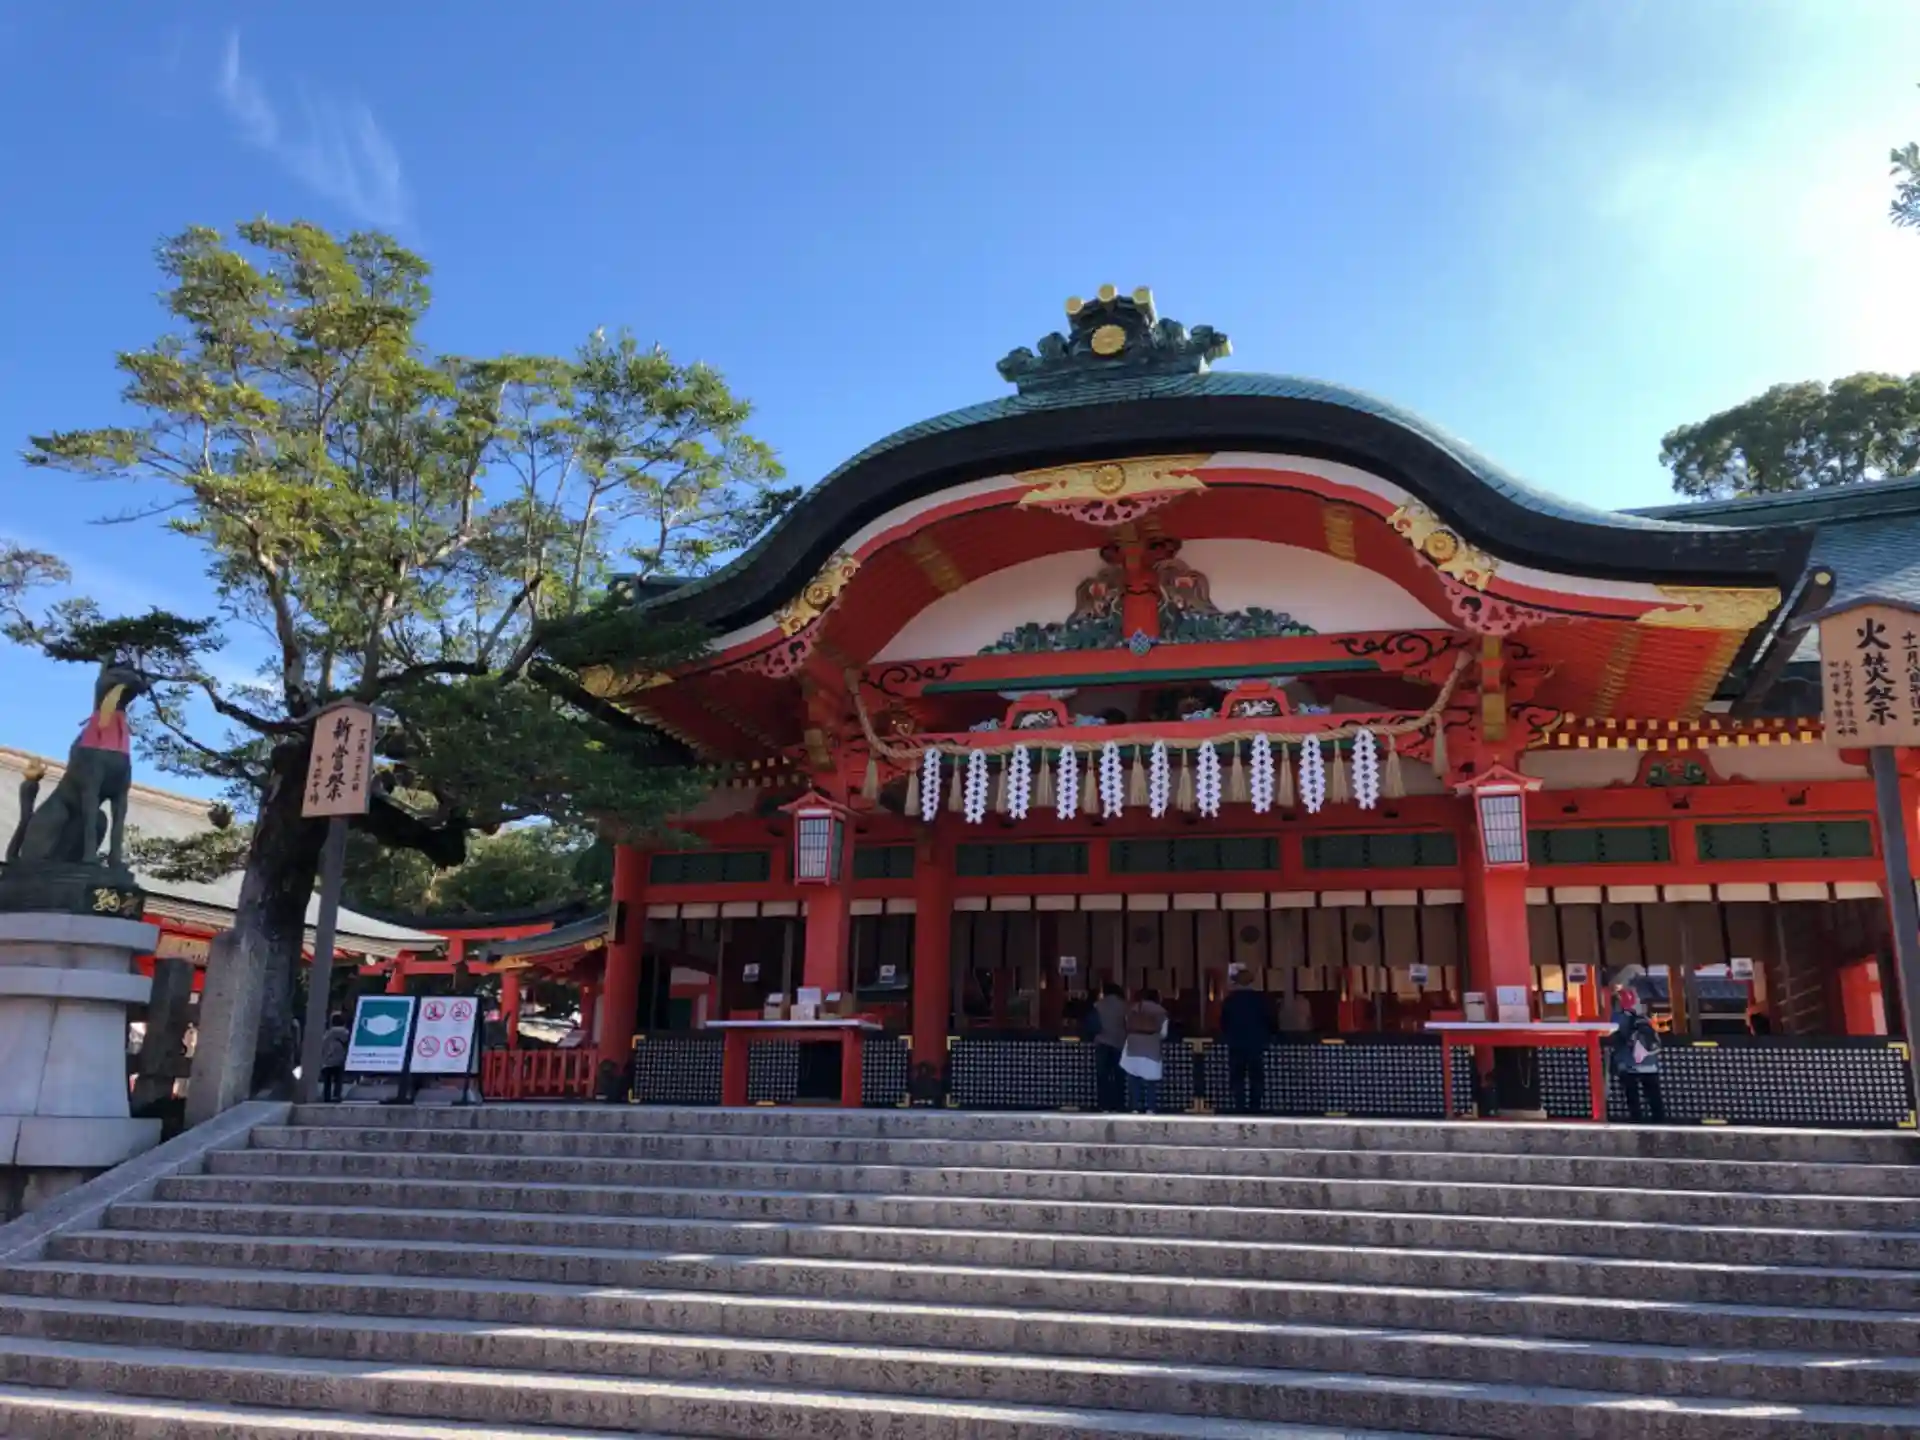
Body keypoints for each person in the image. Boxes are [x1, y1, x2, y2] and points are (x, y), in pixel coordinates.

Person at [1218, 964, 1271, 1115]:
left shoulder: (1230, 1001)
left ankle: (1239, 1105)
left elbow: (1223, 1023)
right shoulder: (1260, 1000)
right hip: (1255, 1043)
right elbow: (1269, 1020)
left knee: (1237, 1076)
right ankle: (1255, 1106)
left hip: (1236, 1043)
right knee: (1256, 1076)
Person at [1610, 984, 1665, 1123]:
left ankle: (1637, 1120)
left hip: (1629, 1064)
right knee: (1653, 1094)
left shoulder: (1619, 1018)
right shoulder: (1645, 1018)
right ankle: (1660, 1119)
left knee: (1632, 1094)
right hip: (1650, 1063)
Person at [1120, 987, 1170, 1114]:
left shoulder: (1132, 1009)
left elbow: (1125, 1026)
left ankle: (1135, 1107)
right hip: (1151, 1047)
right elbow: (1164, 1033)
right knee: (1151, 1080)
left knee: (1134, 1079)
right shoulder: (1161, 1012)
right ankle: (1150, 1108)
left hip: (1133, 1045)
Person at [1090, 981, 1128, 1112]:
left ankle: (1103, 1104)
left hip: (1102, 1042)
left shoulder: (1098, 1005)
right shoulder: (1124, 1005)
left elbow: (1092, 1024)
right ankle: (1119, 1104)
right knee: (1119, 1076)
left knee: (1103, 1076)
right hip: (1119, 1042)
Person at [319, 1010, 351, 1104]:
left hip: (328, 1060)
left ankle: (327, 1096)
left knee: (327, 1081)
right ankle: (337, 1095)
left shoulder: (328, 1033)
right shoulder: (346, 1032)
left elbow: (323, 1045)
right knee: (338, 1080)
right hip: (340, 1059)